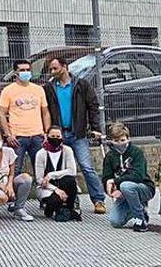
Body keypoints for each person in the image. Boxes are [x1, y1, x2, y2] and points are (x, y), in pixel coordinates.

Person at [44, 56, 107, 214]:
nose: (52, 72)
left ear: (65, 67)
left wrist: (96, 128)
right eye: (51, 69)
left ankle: (98, 199)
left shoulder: (81, 85)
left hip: (77, 134)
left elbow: (93, 106)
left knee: (86, 167)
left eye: (55, 68)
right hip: (58, 136)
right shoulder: (50, 88)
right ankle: (61, 199)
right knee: (60, 169)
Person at [0, 60, 50, 175]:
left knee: (42, 169)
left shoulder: (39, 89)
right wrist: (8, 134)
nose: (25, 72)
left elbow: (45, 112)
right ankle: (13, 192)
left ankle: (45, 192)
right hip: (17, 137)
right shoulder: (8, 90)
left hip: (37, 136)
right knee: (15, 170)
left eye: (28, 70)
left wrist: (47, 132)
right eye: (22, 70)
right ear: (15, 72)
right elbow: (1, 113)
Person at [101, 122, 154, 232]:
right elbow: (106, 178)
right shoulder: (110, 156)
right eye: (116, 141)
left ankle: (140, 219)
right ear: (111, 141)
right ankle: (140, 208)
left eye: (122, 140)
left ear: (128, 139)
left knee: (126, 186)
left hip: (143, 187)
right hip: (123, 192)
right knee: (115, 221)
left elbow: (139, 175)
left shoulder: (136, 152)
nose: (120, 144)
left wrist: (116, 181)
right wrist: (112, 192)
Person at [0, 126, 34, 222]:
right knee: (2, 197)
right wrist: (0, 187)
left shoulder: (9, 151)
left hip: (6, 181)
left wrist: (9, 185)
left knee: (26, 178)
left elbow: (12, 173)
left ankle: (18, 208)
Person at [34, 127, 80, 222]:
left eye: (58, 136)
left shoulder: (67, 150)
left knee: (71, 180)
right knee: (55, 200)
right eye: (52, 136)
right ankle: (51, 208)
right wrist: (55, 189)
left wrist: (51, 175)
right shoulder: (40, 154)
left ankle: (68, 208)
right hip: (47, 187)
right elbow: (39, 179)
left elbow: (72, 171)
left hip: (64, 183)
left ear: (62, 137)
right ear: (47, 137)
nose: (55, 138)